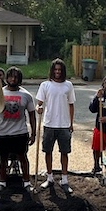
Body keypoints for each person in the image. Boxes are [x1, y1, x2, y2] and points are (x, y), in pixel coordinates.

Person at [35, 58, 76, 195]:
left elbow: (71, 104)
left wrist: (71, 123)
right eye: (55, 70)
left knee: (64, 152)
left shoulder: (68, 85)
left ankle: (64, 180)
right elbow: (39, 103)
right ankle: (50, 177)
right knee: (48, 151)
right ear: (52, 71)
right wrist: (38, 108)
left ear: (63, 71)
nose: (57, 72)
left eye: (59, 70)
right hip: (49, 123)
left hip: (64, 125)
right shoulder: (45, 85)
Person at [0, 66, 36, 190]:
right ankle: (2, 183)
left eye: (16, 77)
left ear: (20, 79)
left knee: (23, 157)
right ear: (6, 78)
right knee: (3, 159)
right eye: (11, 76)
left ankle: (26, 182)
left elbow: (32, 115)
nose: (13, 79)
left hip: (20, 133)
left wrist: (33, 133)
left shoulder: (26, 95)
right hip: (3, 132)